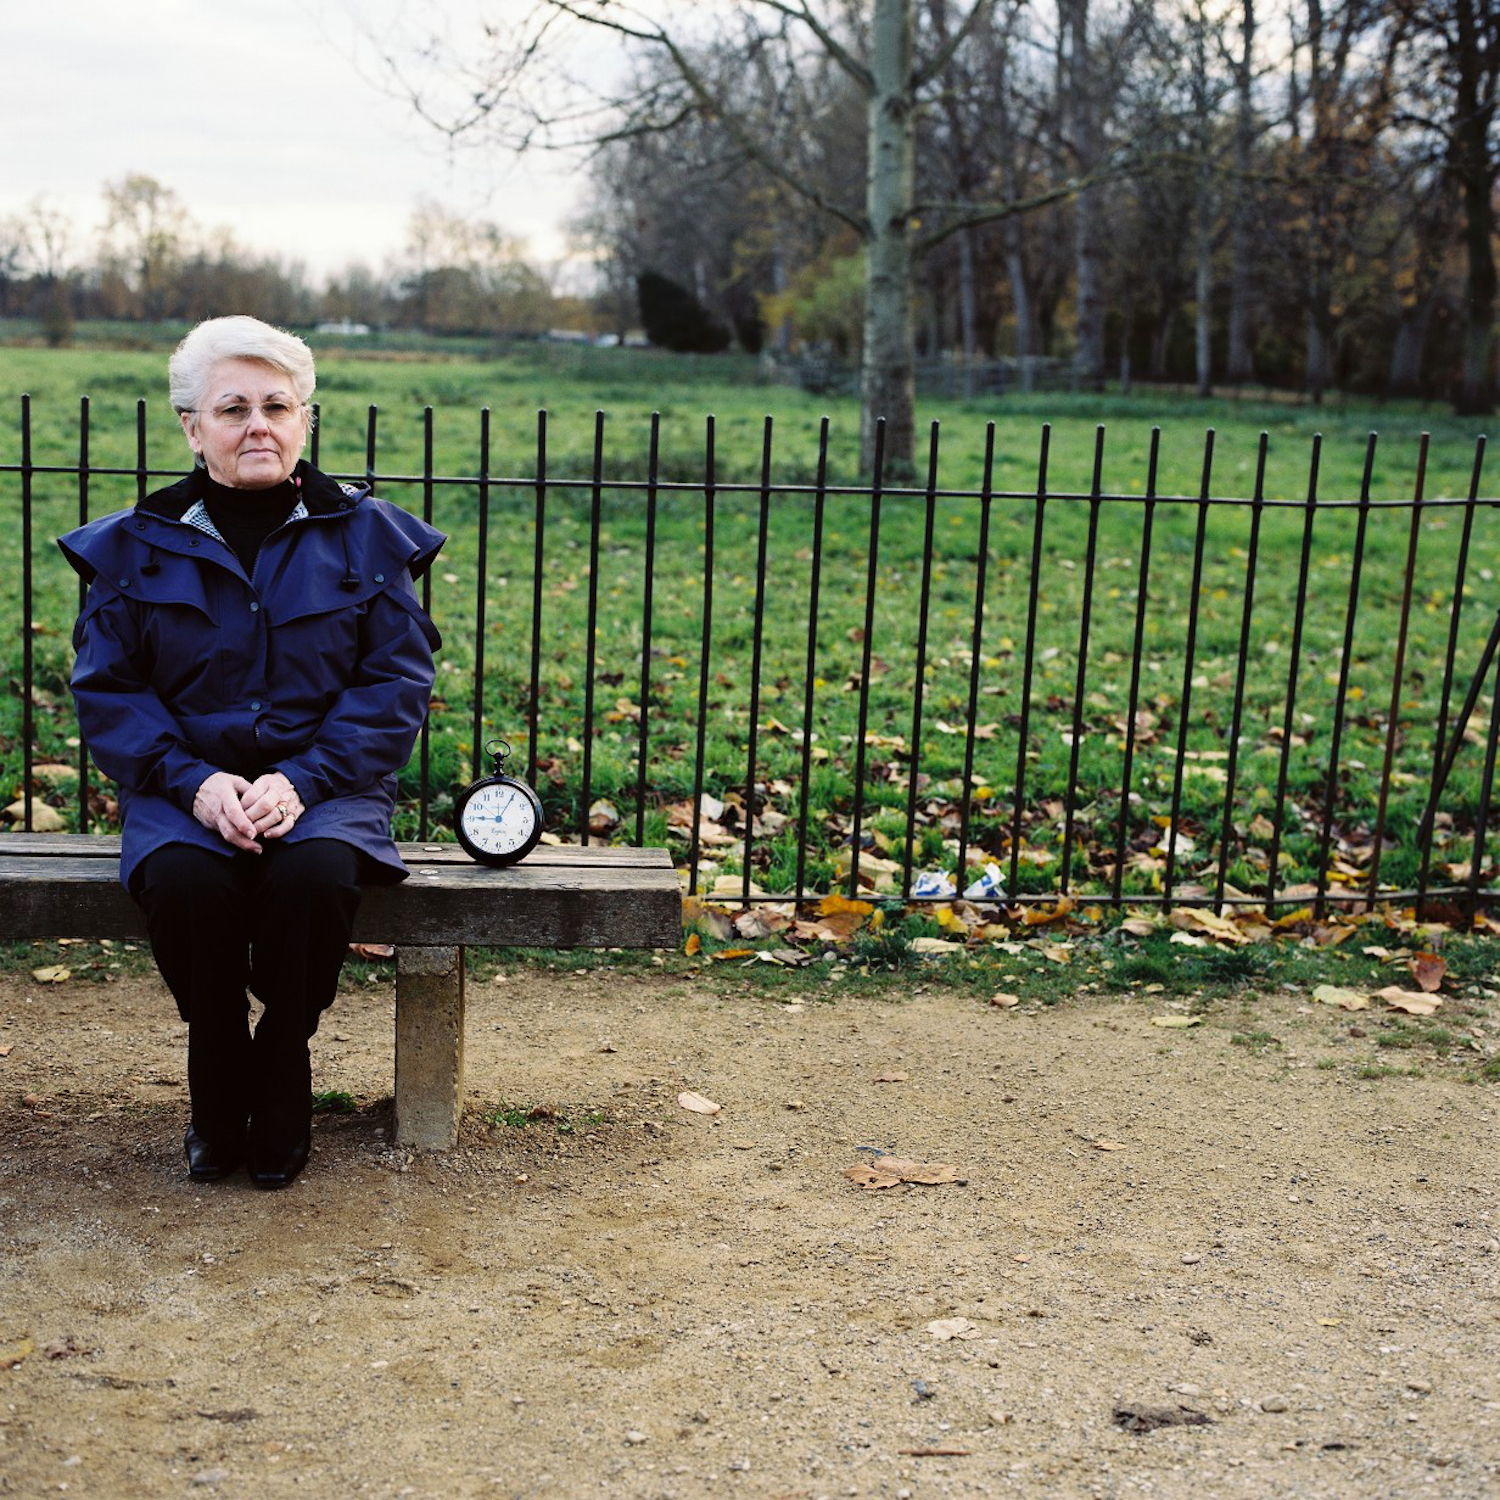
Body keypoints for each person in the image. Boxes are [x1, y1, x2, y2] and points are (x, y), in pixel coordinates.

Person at [59, 316, 445, 1189]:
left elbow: (394, 686)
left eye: (277, 405)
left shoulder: (369, 537)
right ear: (192, 428)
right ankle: (217, 1060)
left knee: (311, 879)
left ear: (306, 418)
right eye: (232, 408)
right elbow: (109, 692)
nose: (257, 425)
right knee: (189, 886)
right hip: (181, 790)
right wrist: (195, 786)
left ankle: (279, 1059)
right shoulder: (132, 546)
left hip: (330, 788)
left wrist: (301, 782)